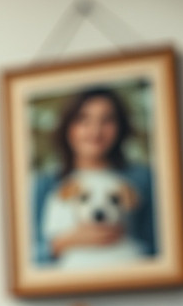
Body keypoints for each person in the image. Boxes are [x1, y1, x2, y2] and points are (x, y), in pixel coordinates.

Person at [31, 87, 156, 267]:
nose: (95, 130)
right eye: (83, 119)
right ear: (68, 125)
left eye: (107, 120)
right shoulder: (45, 184)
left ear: (121, 126)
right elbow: (27, 257)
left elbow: (157, 248)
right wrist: (63, 242)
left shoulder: (143, 179)